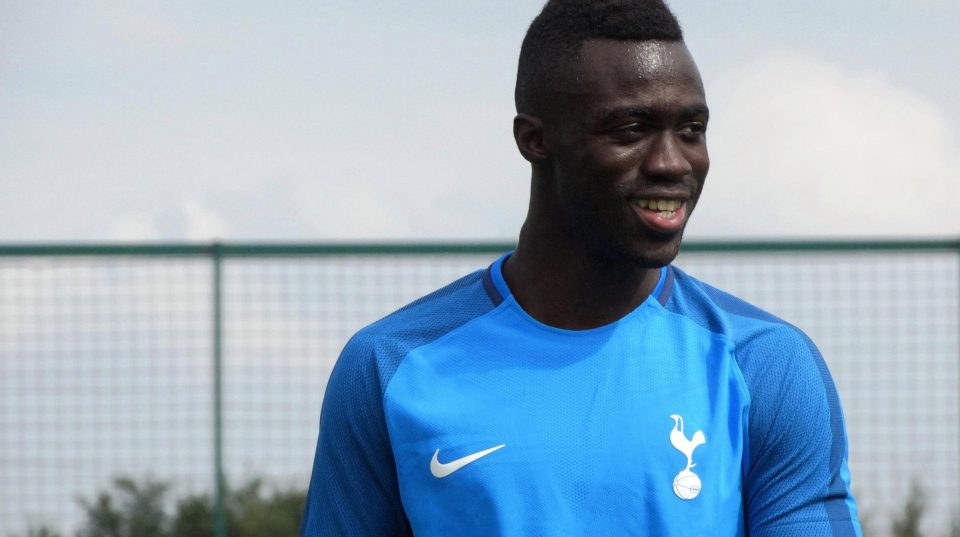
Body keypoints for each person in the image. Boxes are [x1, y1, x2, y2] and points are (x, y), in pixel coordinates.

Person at [301, 0, 863, 535]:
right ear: (535, 140)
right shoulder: (388, 367)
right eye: (631, 130)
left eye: (691, 130)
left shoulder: (766, 367)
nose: (672, 162)